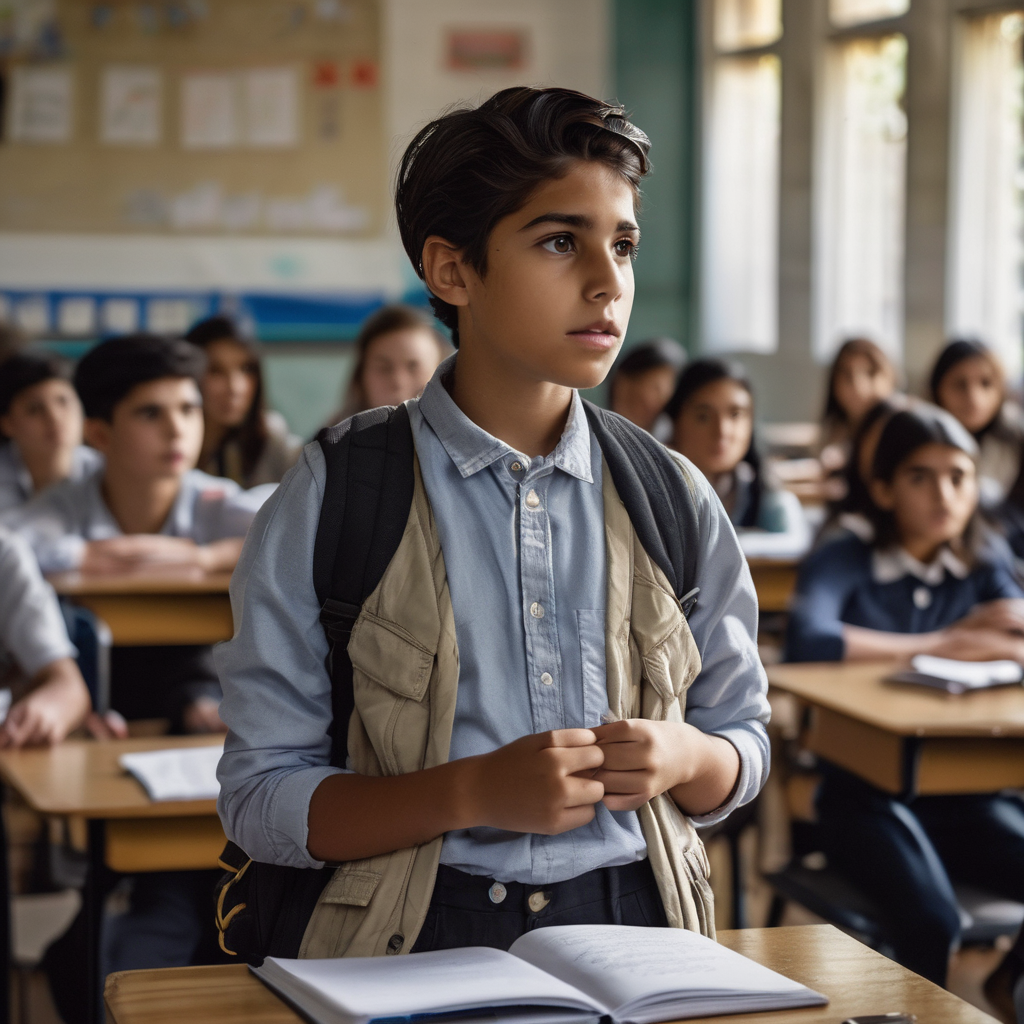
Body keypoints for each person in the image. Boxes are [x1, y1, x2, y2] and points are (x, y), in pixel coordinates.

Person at [216, 86, 770, 959]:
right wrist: (469, 791)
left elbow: (745, 739)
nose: (608, 281)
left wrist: (688, 759)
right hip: (415, 929)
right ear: (451, 270)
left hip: (641, 927)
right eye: (560, 241)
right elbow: (261, 799)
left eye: (621, 244)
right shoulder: (336, 495)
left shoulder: (673, 494)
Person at [786, 404, 1024, 987]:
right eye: (921, 477)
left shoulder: (980, 560)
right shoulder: (848, 555)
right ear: (885, 487)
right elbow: (810, 640)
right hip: (861, 798)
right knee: (931, 920)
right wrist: (945, 642)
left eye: (959, 477)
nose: (944, 494)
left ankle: (1005, 984)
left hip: (966, 797)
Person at [666, 358, 810, 558]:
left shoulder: (759, 489)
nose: (722, 431)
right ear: (676, 422)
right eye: (703, 417)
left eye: (735, 415)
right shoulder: (655, 488)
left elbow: (797, 542)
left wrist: (728, 546)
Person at [185, 315, 302, 487]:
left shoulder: (272, 440)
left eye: (246, 369)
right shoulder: (172, 441)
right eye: (216, 371)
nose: (234, 387)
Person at [0, 351, 103, 514]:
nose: (54, 417)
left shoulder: (106, 473)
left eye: (63, 401)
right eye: (34, 409)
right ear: (7, 424)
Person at [930, 338, 1024, 508]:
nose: (974, 398)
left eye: (986, 384)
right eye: (960, 385)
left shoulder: (1017, 439)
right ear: (938, 389)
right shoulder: (919, 442)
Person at [325, 303, 450, 425]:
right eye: (384, 368)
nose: (398, 381)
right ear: (360, 377)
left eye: (413, 367)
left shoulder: (463, 440)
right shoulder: (329, 442)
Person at [818, 338, 897, 474]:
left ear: (889, 376)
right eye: (848, 375)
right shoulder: (836, 431)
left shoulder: (900, 432)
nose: (858, 387)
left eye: (870, 373)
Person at [607, 337, 686, 441]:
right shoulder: (591, 432)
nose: (646, 397)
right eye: (636, 381)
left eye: (657, 389)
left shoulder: (672, 445)